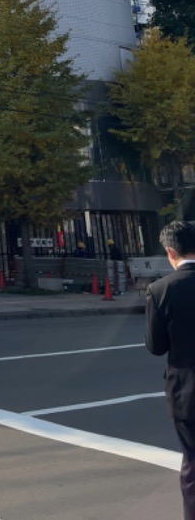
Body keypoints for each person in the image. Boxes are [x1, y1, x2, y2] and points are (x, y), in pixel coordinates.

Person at [146, 220, 195, 520]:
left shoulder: (161, 289)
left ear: (170, 251)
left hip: (187, 392)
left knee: (192, 464)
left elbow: (156, 346)